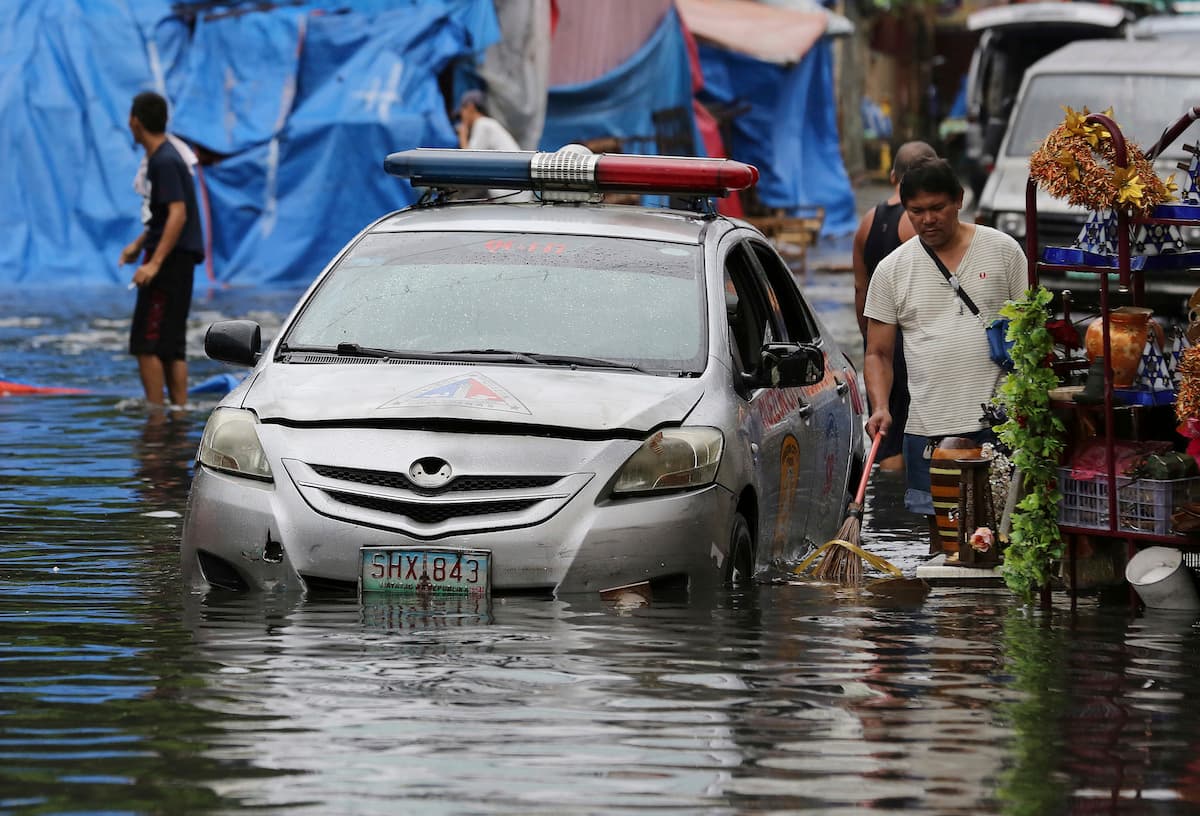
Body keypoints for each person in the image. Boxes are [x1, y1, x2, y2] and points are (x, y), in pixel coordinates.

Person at [862, 157, 1026, 527]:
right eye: (916, 211)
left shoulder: (1003, 250)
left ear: (959, 200)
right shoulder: (892, 270)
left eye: (937, 208)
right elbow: (877, 353)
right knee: (944, 534)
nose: (927, 219)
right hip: (929, 424)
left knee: (1004, 527)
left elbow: (1030, 331)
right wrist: (880, 406)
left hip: (999, 421)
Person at [852, 141, 938, 471]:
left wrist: (871, 344)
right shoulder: (918, 224)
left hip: (880, 341)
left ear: (892, 176)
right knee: (914, 435)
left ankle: (890, 506)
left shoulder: (867, 223)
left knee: (887, 438)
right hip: (914, 345)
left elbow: (861, 289)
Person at [119, 91, 204, 407]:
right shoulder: (168, 157)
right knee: (171, 345)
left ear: (135, 121)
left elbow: (178, 214)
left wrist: (153, 263)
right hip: (177, 259)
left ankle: (156, 417)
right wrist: (137, 245)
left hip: (169, 263)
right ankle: (178, 414)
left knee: (147, 344)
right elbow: (164, 215)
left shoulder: (164, 161)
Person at [455, 89, 532, 201]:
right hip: (516, 191)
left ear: (470, 107)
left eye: (462, 110)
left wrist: (462, 136)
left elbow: (469, 162)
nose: (461, 116)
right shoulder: (488, 124)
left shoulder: (483, 124)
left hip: (511, 193)